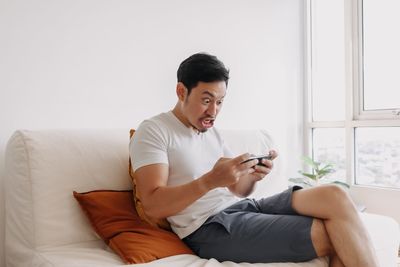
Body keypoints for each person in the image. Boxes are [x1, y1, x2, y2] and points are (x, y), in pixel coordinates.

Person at [129, 52, 378, 267]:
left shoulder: (210, 132)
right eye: (206, 100)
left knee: (334, 195)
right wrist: (209, 181)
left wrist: (253, 176)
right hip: (208, 228)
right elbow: (153, 204)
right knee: (335, 233)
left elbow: (239, 190)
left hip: (244, 208)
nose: (213, 111)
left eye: (220, 102)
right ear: (181, 91)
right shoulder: (153, 131)